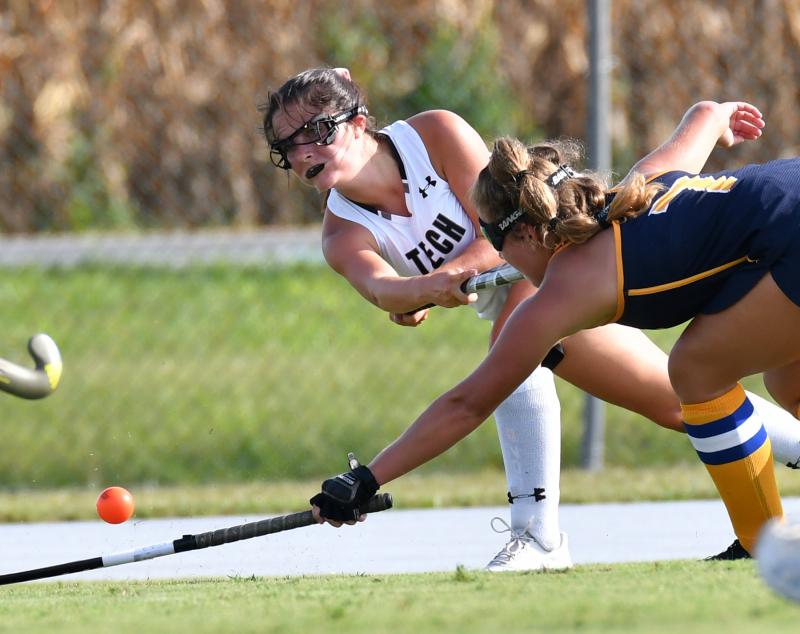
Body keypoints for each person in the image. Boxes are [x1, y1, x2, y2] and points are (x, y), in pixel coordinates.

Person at [262, 73, 800, 561]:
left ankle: (541, 535)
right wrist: (713, 117)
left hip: (775, 240)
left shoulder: (439, 144)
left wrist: (369, 477)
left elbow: (468, 400)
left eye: (314, 132)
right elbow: (384, 290)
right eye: (287, 147)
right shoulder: (631, 190)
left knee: (693, 374)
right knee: (713, 397)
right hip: (778, 209)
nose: (302, 152)